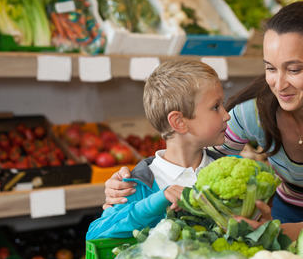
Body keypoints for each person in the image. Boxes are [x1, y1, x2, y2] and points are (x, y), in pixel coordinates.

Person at [102, 1, 303, 241]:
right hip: (285, 212)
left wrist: (263, 233)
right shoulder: (256, 112)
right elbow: (201, 163)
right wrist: (134, 185)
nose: (279, 84)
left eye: (294, 69)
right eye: (271, 68)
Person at [86, 59, 231, 240]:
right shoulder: (136, 185)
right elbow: (95, 235)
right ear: (179, 122)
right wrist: (155, 203)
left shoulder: (229, 171)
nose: (226, 115)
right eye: (216, 107)